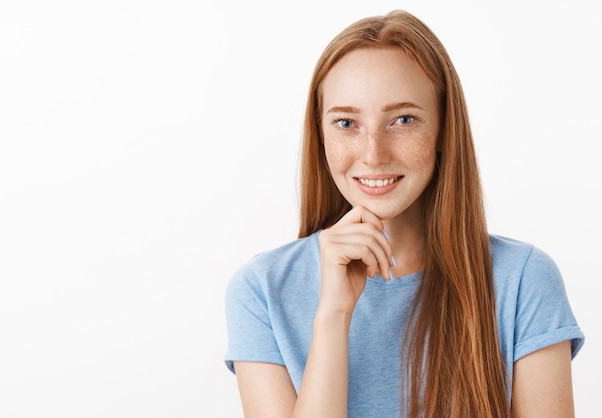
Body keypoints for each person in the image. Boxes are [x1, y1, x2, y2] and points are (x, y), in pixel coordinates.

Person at [224, 9, 584, 418]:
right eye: (346, 122)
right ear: (320, 135)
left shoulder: (521, 281)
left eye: (403, 120)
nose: (374, 153)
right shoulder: (261, 291)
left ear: (444, 129)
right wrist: (333, 316)